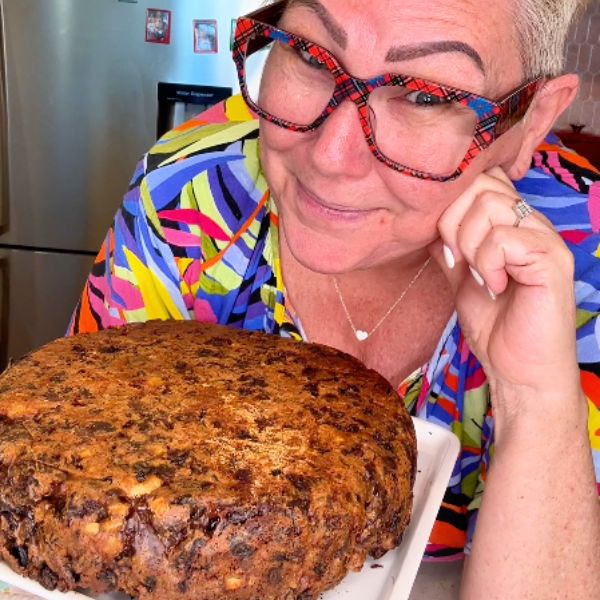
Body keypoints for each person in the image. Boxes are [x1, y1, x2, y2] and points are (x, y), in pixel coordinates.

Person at [69, 0, 600, 597]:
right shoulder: (186, 198)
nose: (330, 155)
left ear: (532, 121)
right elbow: (70, 483)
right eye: (311, 54)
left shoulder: (587, 269)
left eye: (427, 96)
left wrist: (533, 396)